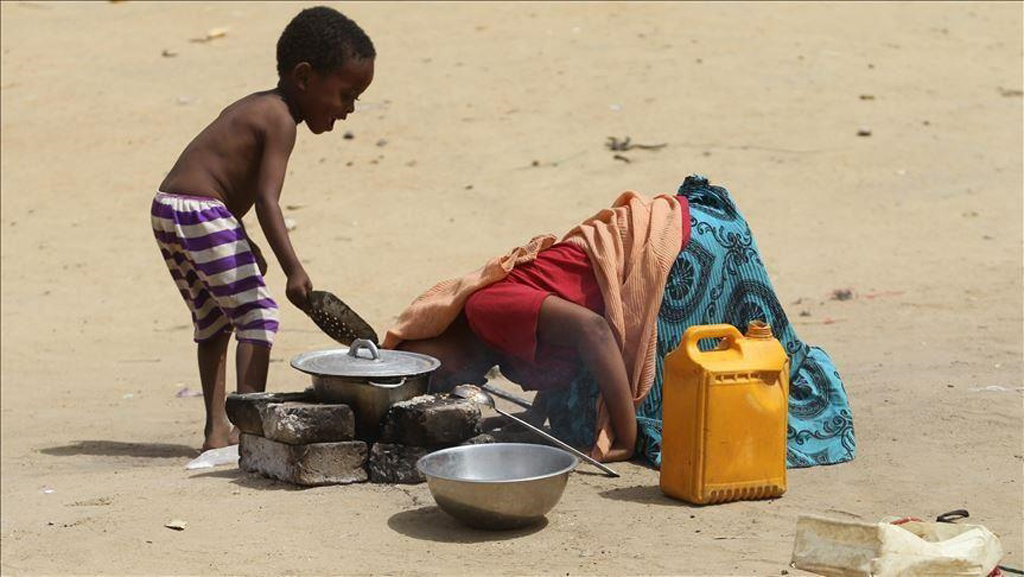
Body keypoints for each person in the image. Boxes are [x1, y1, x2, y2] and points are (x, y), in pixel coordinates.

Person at [389, 176, 856, 467]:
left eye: (428, 367)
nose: (441, 380)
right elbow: (560, 334)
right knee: (582, 418)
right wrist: (535, 413)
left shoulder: (484, 310)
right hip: (684, 240)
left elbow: (591, 330)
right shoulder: (492, 341)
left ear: (437, 329)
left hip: (684, 251)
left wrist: (627, 435)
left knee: (692, 405)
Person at [150, 6, 375, 450]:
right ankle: (247, 432)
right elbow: (268, 199)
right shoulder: (279, 120)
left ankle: (216, 433)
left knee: (214, 320)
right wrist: (294, 269)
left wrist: (242, 239)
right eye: (346, 94)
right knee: (258, 315)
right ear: (305, 77)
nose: (348, 110)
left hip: (170, 208)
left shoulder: (256, 106)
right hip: (201, 211)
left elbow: (230, 179)